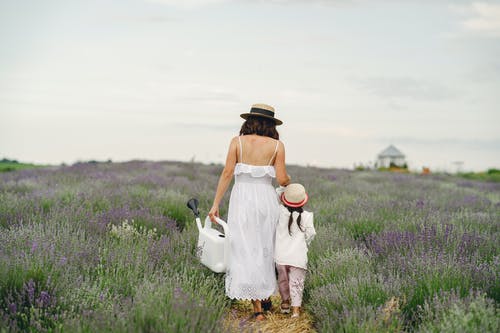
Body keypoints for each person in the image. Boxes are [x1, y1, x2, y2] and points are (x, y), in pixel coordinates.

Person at [209, 103, 291, 321]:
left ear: (249, 121)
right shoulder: (277, 146)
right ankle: (264, 296)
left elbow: (227, 173)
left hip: (242, 199)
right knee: (265, 247)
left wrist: (215, 203)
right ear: (271, 125)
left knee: (244, 247)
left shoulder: (237, 142)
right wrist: (289, 181)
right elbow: (282, 179)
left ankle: (258, 309)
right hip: (266, 199)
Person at [275, 183, 316, 318]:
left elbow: (276, 195)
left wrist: (283, 187)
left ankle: (285, 302)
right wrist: (304, 244)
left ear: (284, 199)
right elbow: (311, 234)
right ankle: (296, 311)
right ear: (303, 200)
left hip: (281, 256)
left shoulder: (280, 211)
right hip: (298, 257)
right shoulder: (308, 216)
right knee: (297, 283)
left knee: (283, 280)